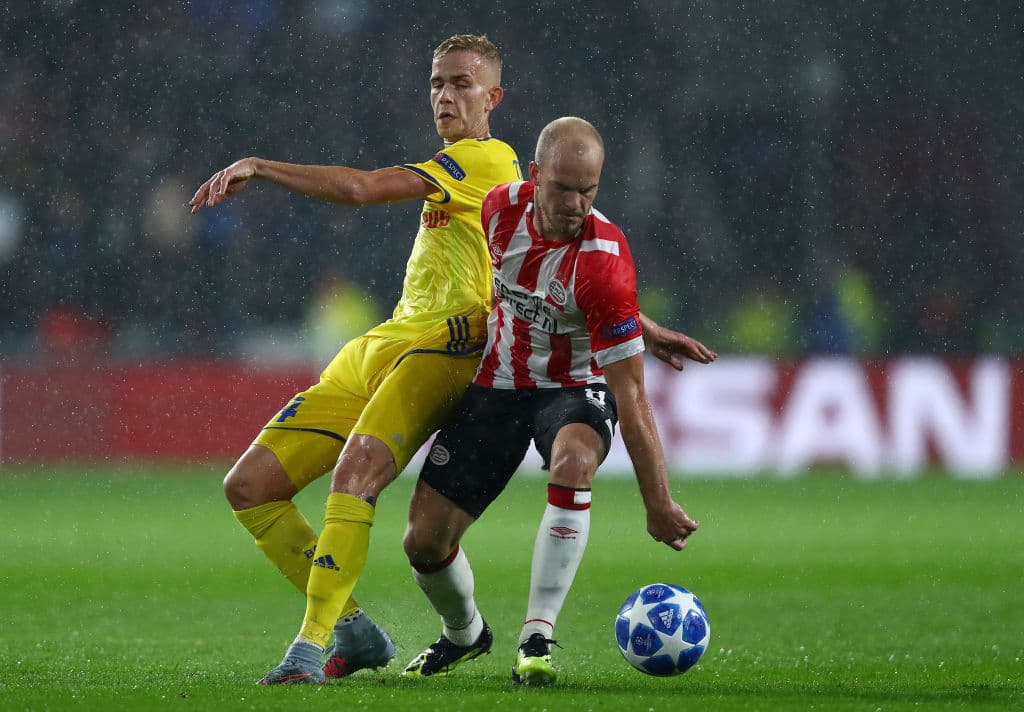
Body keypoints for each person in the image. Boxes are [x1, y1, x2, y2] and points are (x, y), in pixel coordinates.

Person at [190, 36, 713, 686]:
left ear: (494, 98)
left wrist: (261, 166)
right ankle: (358, 626)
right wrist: (650, 327)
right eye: (438, 82)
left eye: (463, 84)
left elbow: (359, 189)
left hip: (448, 349)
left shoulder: (488, 159)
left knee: (358, 473)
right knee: (251, 489)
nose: (446, 95)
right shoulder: (501, 198)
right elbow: (531, 273)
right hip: (386, 345)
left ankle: (313, 646)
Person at [399, 117, 703, 686]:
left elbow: (632, 395)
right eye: (563, 188)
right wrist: (649, 327)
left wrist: (657, 502)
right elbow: (540, 290)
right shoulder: (495, 209)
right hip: (500, 382)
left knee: (572, 463)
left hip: (573, 386)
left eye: (589, 190)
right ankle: (465, 634)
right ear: (535, 176)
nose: (576, 203)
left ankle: (536, 637)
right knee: (423, 543)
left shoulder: (604, 259)